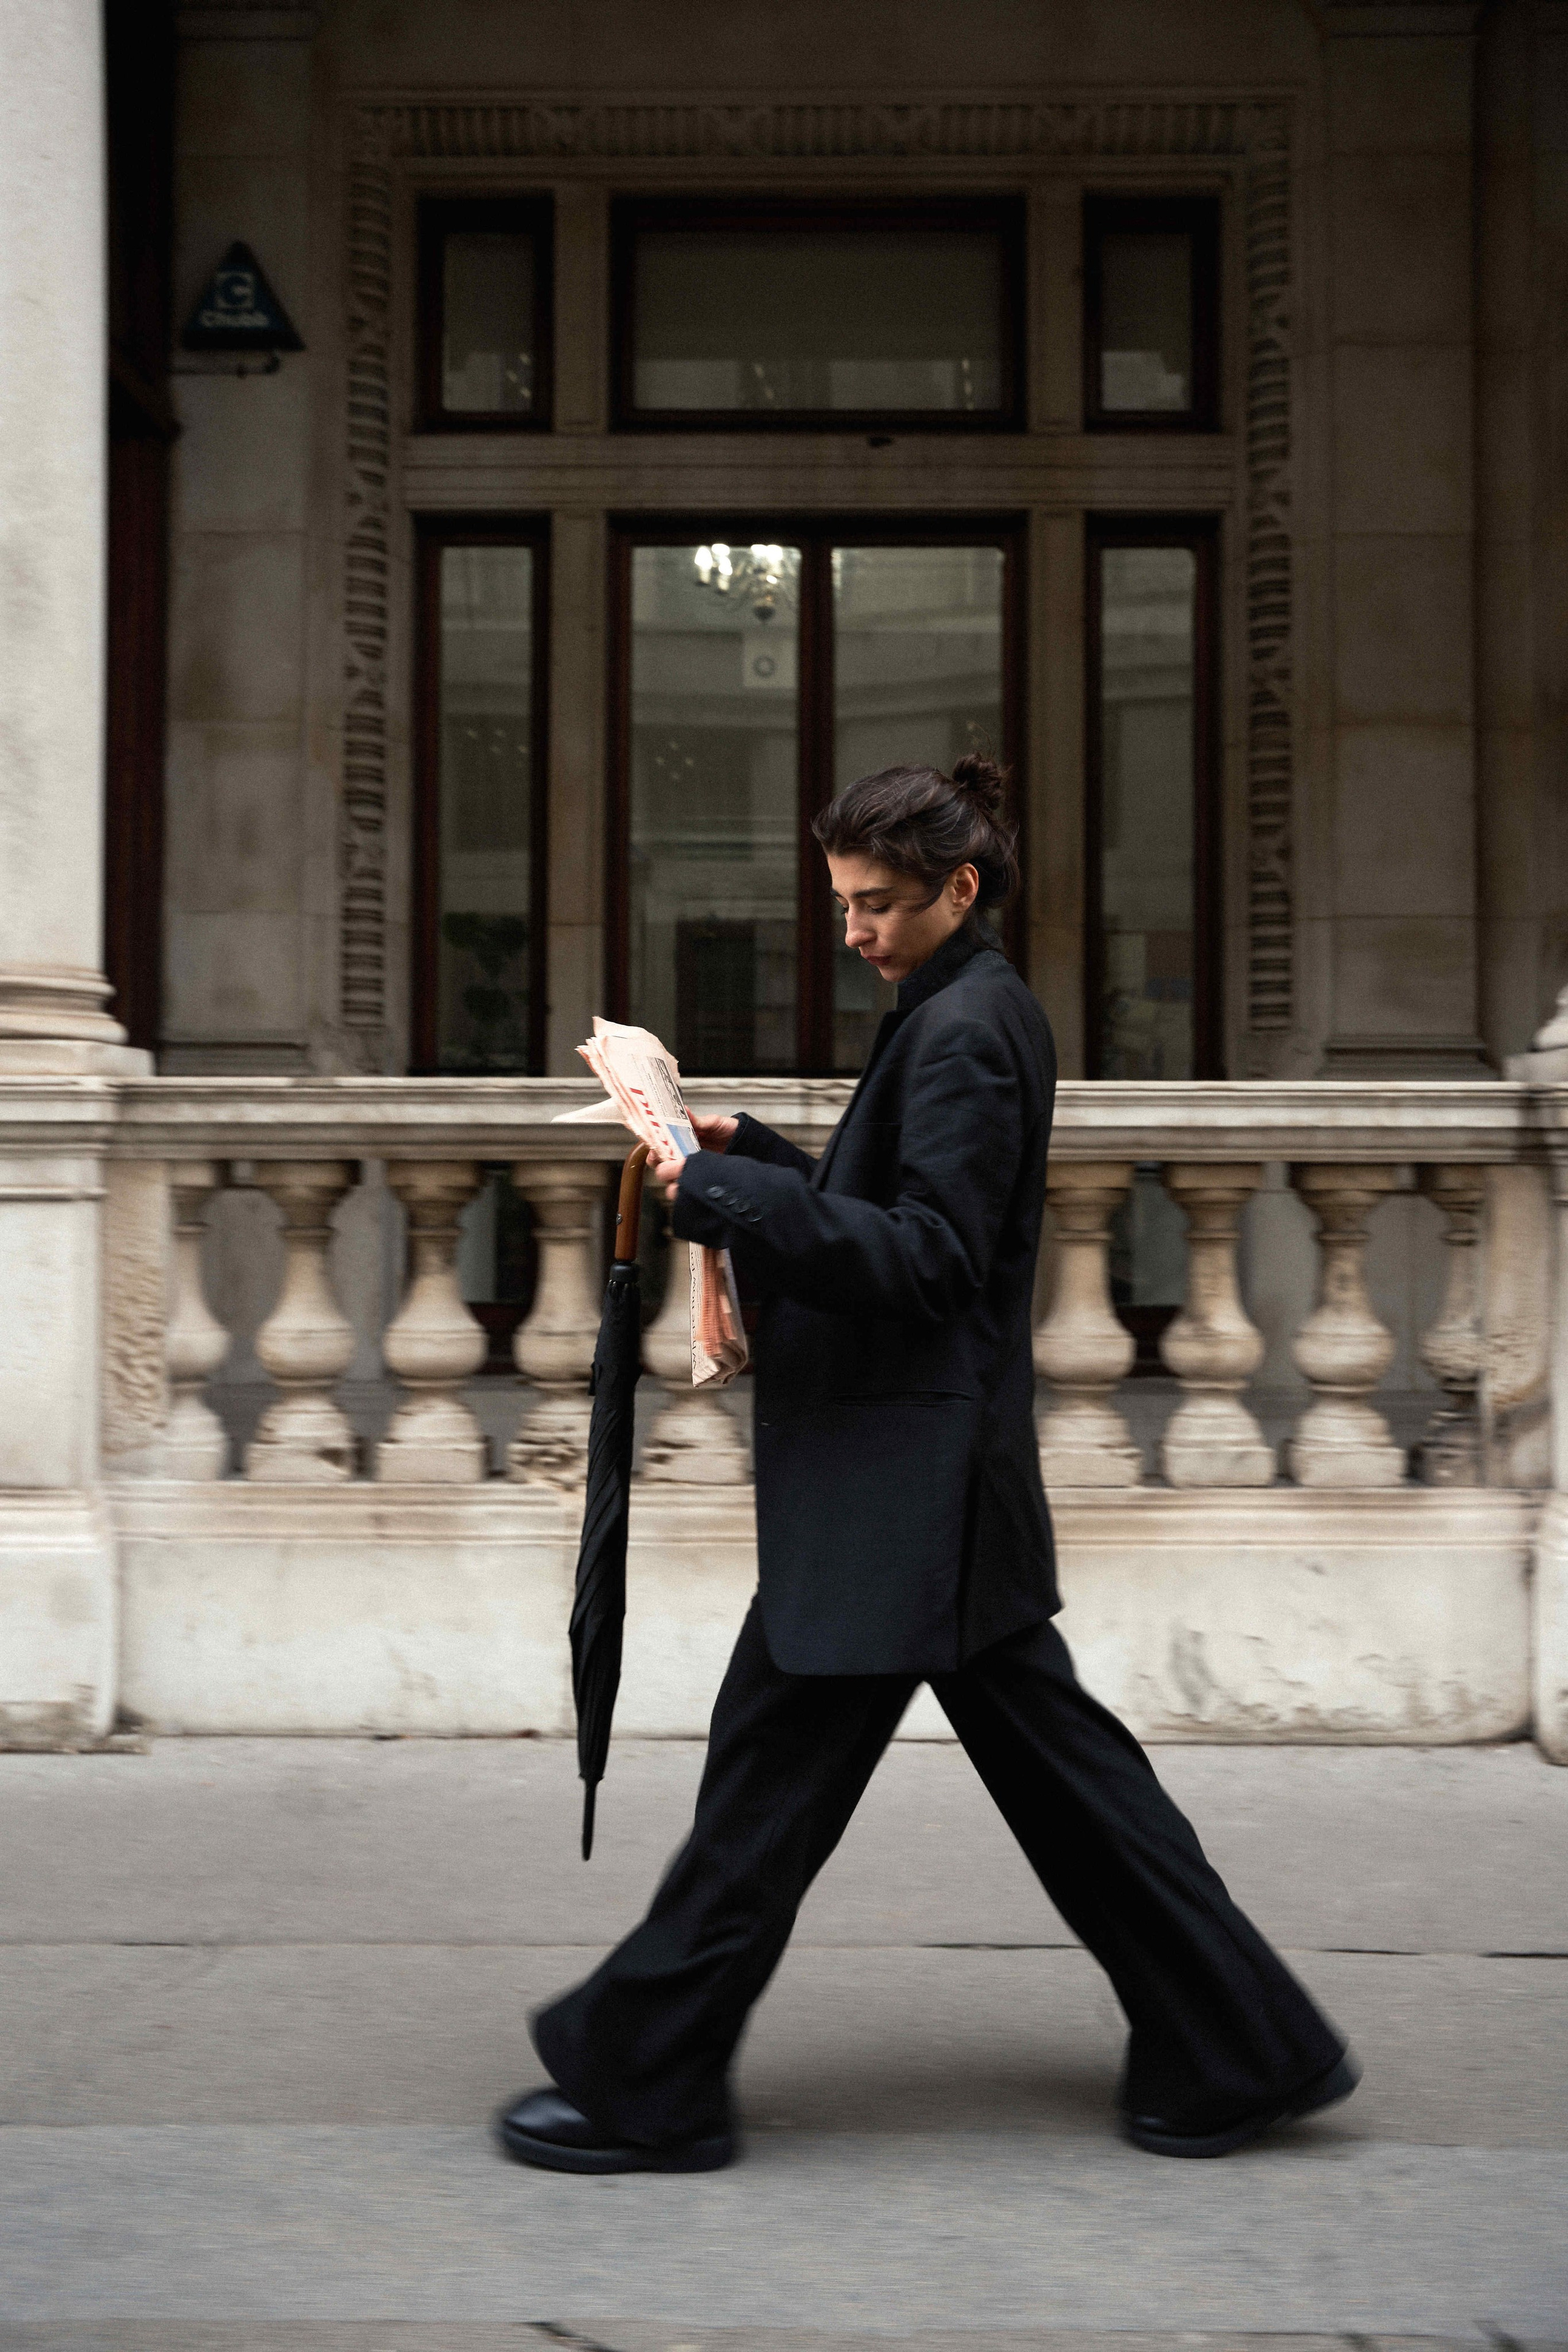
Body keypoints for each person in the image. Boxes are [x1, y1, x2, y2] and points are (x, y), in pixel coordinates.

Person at [497, 753, 1357, 2176]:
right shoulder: (955, 1008)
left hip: (904, 1490)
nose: (854, 931)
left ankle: (648, 2079)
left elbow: (933, 1259)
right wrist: (755, 1151)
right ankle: (1240, 2049)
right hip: (922, 1483)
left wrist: (724, 1194)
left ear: (960, 887)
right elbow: (894, 1210)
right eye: (841, 904)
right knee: (1062, 1791)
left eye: (879, 905)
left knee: (771, 1793)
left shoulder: (963, 1027)